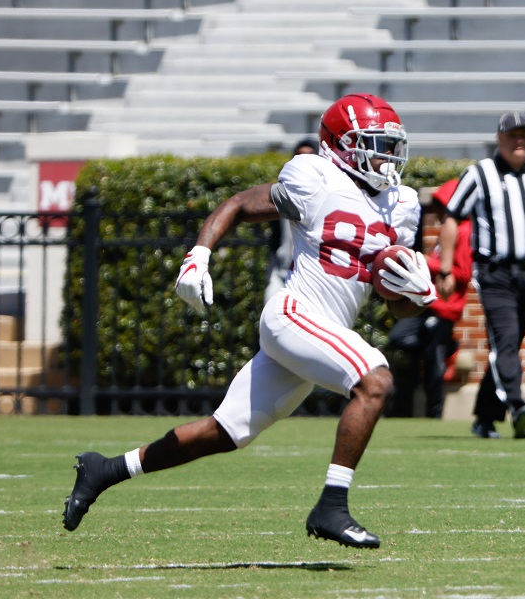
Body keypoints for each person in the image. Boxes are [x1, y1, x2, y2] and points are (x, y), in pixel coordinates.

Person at [61, 94, 438, 549]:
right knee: (374, 379)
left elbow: (392, 300)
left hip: (322, 331)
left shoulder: (402, 205)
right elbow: (240, 203)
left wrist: (417, 294)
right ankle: (331, 507)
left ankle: (105, 469)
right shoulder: (316, 177)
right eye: (373, 144)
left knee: (225, 432)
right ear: (339, 145)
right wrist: (198, 257)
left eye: (390, 146)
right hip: (295, 313)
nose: (384, 157)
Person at [436, 112, 525, 440]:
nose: (519, 141)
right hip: (494, 272)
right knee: (507, 338)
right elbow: (451, 218)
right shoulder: (479, 174)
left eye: (524, 135)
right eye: (512, 135)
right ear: (499, 138)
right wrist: (444, 269)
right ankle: (517, 405)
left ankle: (484, 417)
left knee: (506, 344)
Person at [389, 179, 474, 418]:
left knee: (434, 360)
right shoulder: (447, 232)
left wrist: (430, 263)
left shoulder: (464, 231)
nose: (437, 213)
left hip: (445, 306)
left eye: (441, 207)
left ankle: (433, 412)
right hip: (430, 303)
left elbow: (463, 273)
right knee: (402, 339)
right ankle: (449, 347)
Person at [263, 138, 318, 303]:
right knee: (270, 316)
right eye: (299, 156)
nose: (304, 161)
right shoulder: (284, 193)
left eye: (310, 156)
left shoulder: (327, 196)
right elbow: (276, 236)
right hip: (282, 273)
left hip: (312, 278)